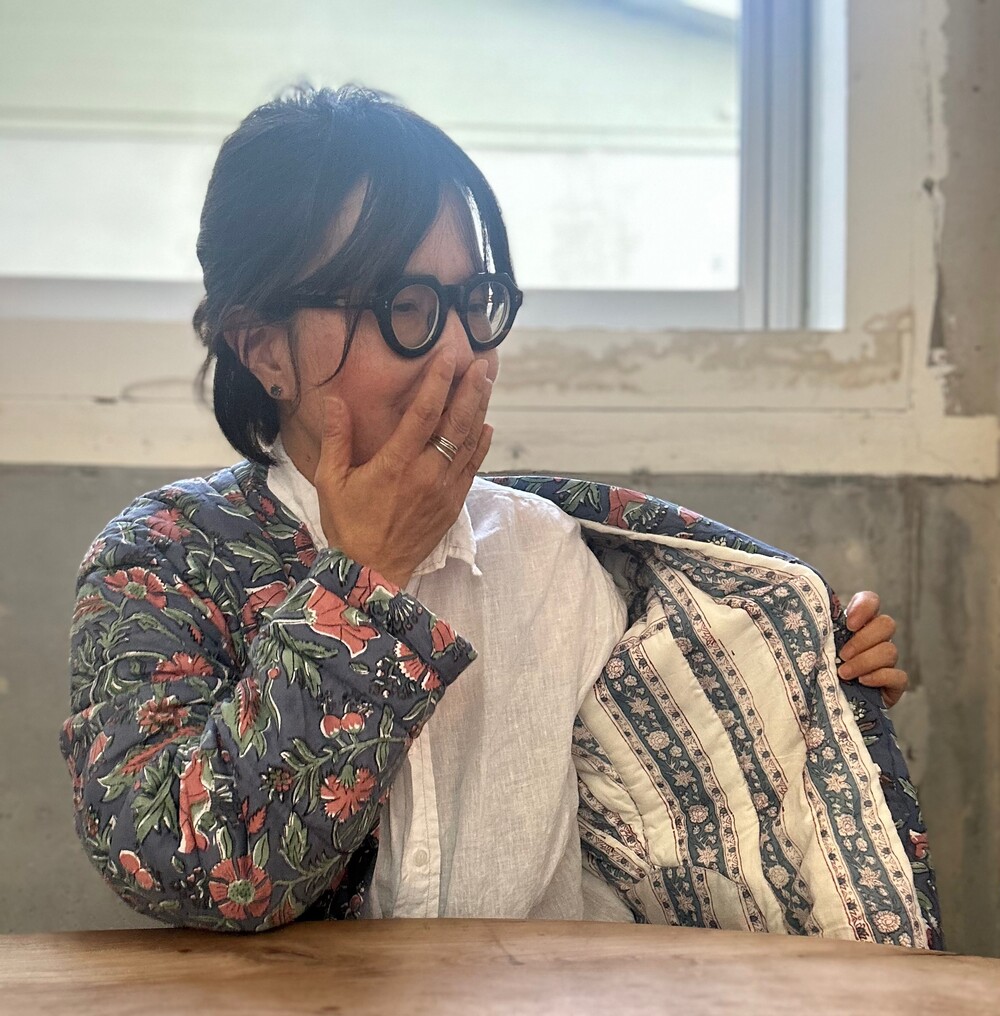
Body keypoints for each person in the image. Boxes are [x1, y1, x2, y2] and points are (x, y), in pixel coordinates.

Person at [62, 86, 935, 943]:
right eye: (405, 309)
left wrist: (812, 680)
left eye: (475, 303)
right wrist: (363, 582)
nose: (459, 353)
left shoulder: (551, 553)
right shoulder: (162, 562)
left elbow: (701, 816)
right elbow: (182, 865)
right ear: (264, 348)